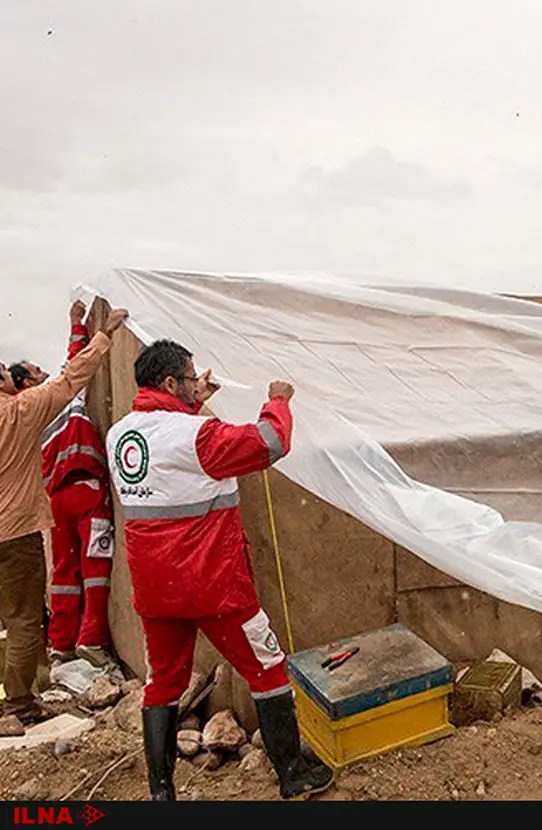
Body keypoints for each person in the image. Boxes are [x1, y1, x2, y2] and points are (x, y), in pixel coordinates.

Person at [106, 339, 332, 801]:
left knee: (163, 683)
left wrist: (191, 402)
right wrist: (278, 400)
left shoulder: (121, 435)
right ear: (170, 382)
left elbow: (172, 455)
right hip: (214, 584)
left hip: (156, 590)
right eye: (190, 377)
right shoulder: (198, 435)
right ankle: (292, 774)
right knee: (267, 669)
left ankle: (161, 791)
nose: (198, 382)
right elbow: (270, 443)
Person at [0, 304, 128, 725]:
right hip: (35, 521)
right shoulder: (23, 412)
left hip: (46, 509)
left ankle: (54, 655)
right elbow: (71, 377)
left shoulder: (30, 413)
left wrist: (78, 326)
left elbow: (66, 372)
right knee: (31, 612)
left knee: (56, 582)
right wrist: (101, 334)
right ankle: (20, 702)